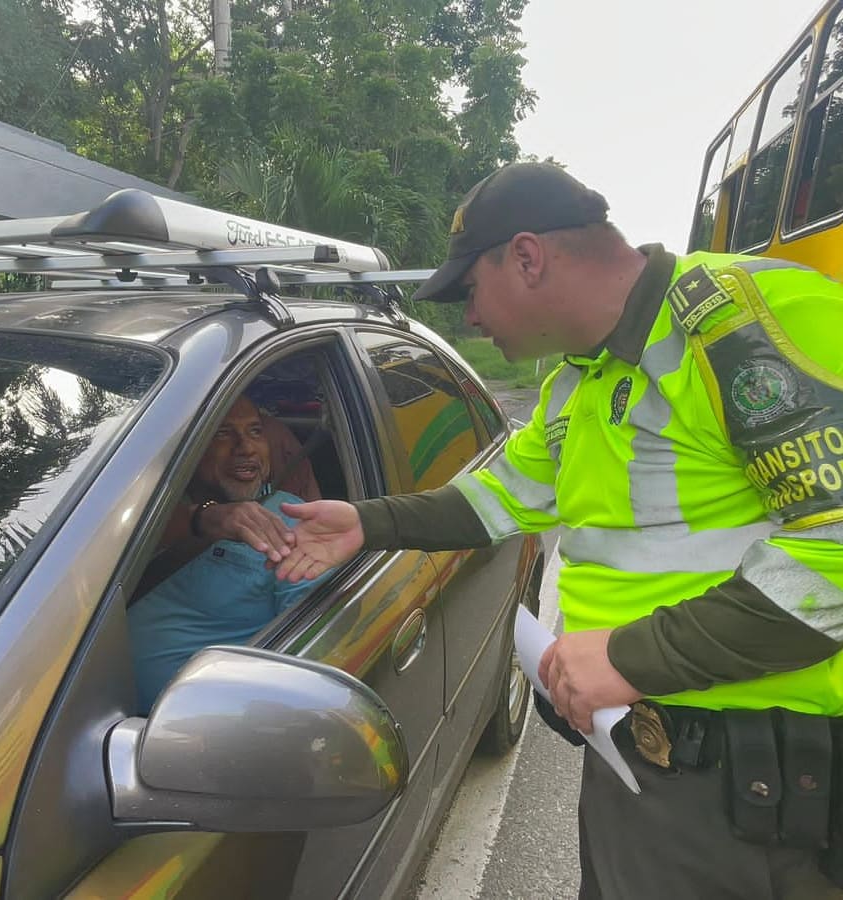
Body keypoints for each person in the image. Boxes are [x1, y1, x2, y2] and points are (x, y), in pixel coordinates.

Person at [273, 162, 843, 898]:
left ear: (528, 257)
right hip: (638, 752)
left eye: (469, 292)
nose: (468, 318)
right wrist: (365, 522)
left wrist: (634, 656)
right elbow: (494, 501)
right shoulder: (577, 380)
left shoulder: (743, 312)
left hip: (748, 782)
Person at [128, 396, 330, 712]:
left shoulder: (292, 522)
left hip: (194, 737)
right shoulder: (138, 511)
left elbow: (314, 650)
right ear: (188, 447)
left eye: (255, 432)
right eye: (223, 433)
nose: (246, 448)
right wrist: (206, 517)